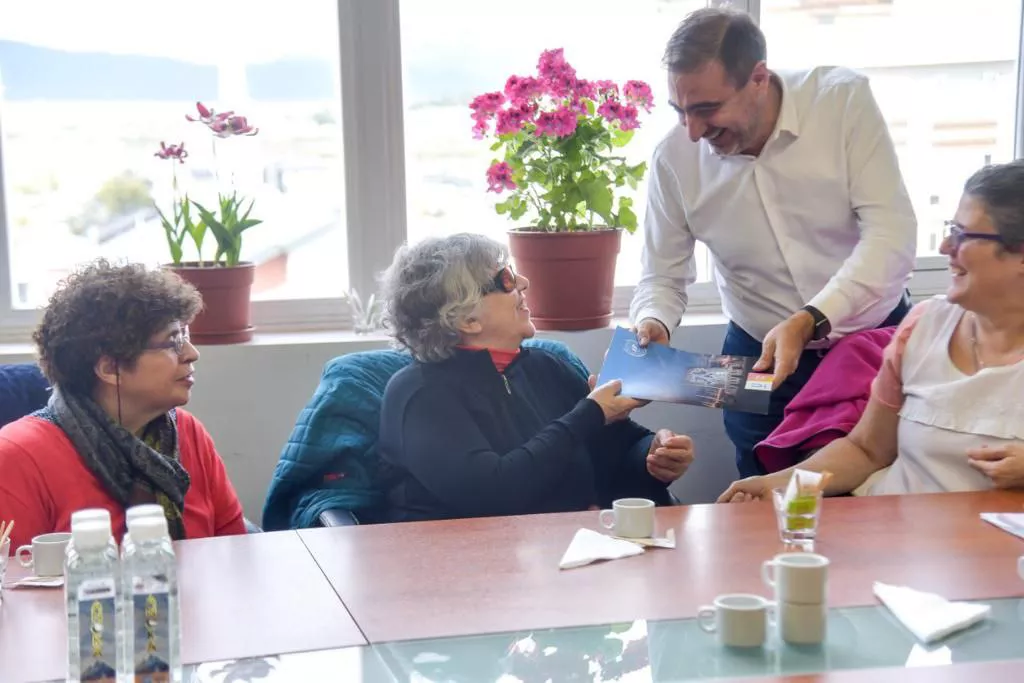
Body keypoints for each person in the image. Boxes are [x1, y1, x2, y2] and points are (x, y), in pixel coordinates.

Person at [629, 7, 916, 478]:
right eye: (679, 111)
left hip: (870, 344)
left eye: (706, 109)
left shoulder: (841, 102)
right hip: (756, 358)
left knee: (874, 500)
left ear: (759, 77)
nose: (693, 132)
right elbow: (662, 274)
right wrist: (654, 320)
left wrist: (811, 319)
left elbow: (892, 235)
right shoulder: (673, 158)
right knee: (759, 498)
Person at [719, 160, 1024, 501]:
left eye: (963, 235)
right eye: (951, 229)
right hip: (891, 535)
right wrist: (773, 485)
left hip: (996, 551)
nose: (944, 248)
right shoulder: (922, 326)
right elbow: (866, 450)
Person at [378, 233, 695, 522]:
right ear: (466, 318)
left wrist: (653, 457)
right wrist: (590, 413)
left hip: (560, 555)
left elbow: (615, 453)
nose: (524, 283)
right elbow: (495, 495)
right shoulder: (419, 395)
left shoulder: (547, 367)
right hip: (457, 568)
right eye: (505, 280)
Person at [0, 260, 246, 549]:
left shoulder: (189, 433)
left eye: (186, 335)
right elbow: (13, 584)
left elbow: (234, 552)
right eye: (173, 341)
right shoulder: (17, 457)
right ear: (110, 368)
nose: (192, 354)